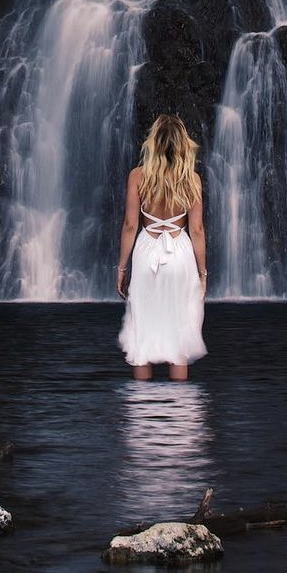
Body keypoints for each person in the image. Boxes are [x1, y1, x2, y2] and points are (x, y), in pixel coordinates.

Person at [116, 113, 207, 380]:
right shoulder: (192, 179)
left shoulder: (137, 176)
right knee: (179, 332)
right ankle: (179, 411)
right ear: (182, 144)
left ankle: (143, 409)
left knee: (142, 330)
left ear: (153, 142)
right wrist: (203, 275)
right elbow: (198, 230)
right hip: (180, 253)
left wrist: (122, 269)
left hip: (147, 251)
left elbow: (130, 225)